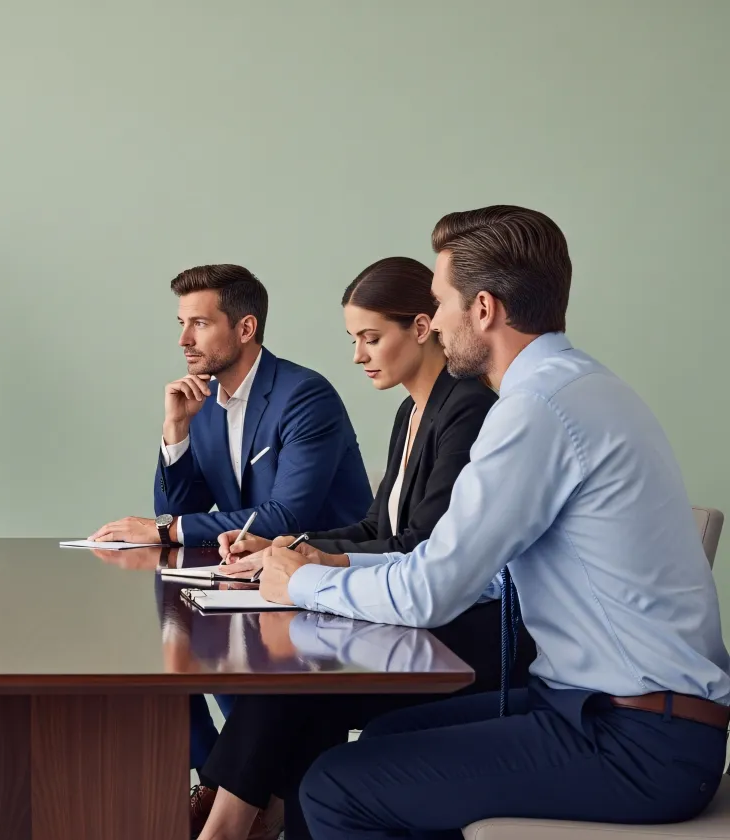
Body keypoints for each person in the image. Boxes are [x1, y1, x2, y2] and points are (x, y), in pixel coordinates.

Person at [251, 205, 730, 840]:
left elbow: (432, 590)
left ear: (483, 309)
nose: (436, 321)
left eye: (441, 300)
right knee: (390, 736)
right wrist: (327, 565)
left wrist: (301, 585)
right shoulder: (577, 385)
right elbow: (480, 577)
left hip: (635, 741)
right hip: (610, 712)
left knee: (336, 786)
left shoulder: (537, 408)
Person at [190, 256, 523, 840]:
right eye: (354, 340)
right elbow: (375, 528)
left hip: (476, 632)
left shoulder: (467, 407)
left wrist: (316, 562)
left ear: (421, 328)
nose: (358, 355)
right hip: (420, 616)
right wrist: (282, 546)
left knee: (296, 683)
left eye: (371, 338)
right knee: (295, 688)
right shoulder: (411, 409)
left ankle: (226, 827)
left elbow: (423, 544)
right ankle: (253, 820)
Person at [88, 263, 374, 780]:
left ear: (245, 329)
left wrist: (164, 531)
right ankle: (235, 793)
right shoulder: (209, 403)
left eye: (198, 324)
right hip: (248, 582)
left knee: (202, 660)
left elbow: (287, 515)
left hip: (321, 593)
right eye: (181, 323)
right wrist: (176, 430)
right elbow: (179, 507)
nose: (183, 340)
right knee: (171, 666)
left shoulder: (305, 396)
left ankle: (234, 797)